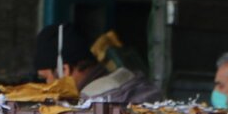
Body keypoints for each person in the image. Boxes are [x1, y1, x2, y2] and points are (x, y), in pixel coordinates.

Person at [33, 23, 163, 104]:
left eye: (45, 78)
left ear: (65, 69)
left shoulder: (93, 102)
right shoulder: (127, 77)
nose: (47, 85)